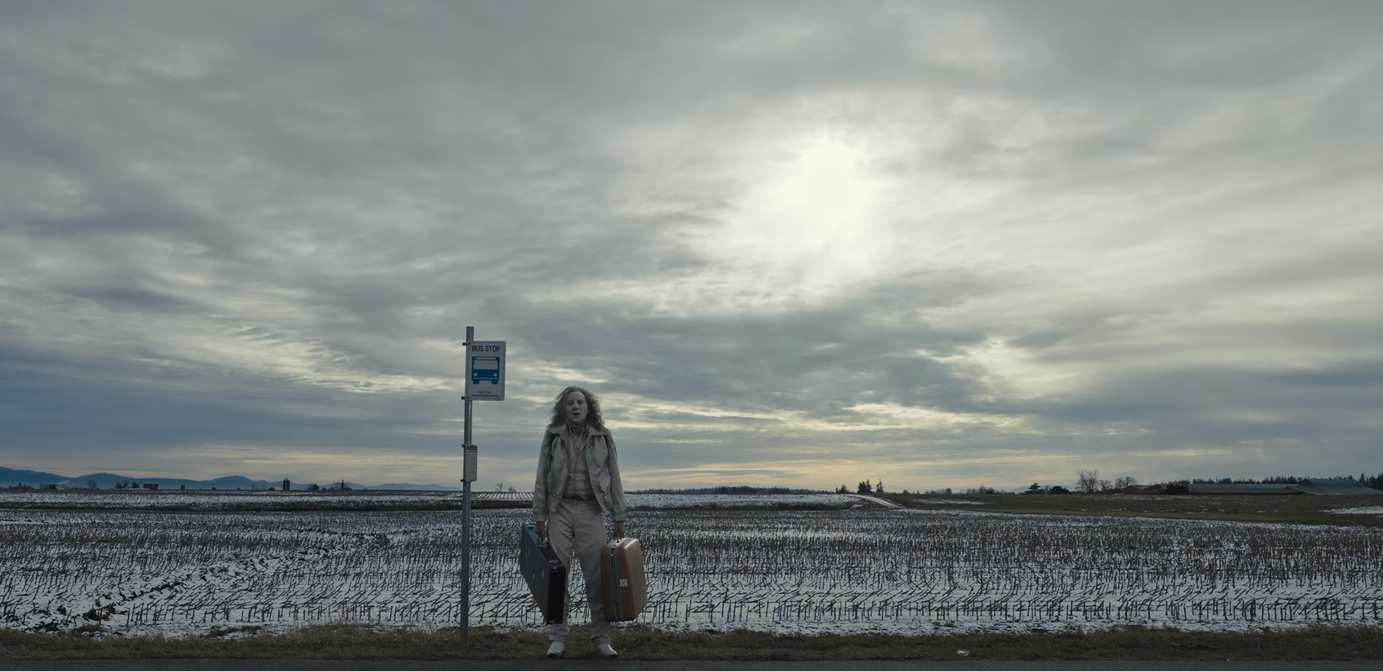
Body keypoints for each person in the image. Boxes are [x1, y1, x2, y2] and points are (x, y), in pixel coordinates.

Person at [532, 385, 627, 659]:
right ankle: (557, 639)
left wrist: (619, 515)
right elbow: (542, 475)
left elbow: (614, 476)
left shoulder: (603, 436)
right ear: (563, 408)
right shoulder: (553, 436)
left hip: (591, 510)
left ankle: (601, 639)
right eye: (570, 403)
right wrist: (540, 515)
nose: (575, 407)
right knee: (557, 576)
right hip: (560, 509)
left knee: (597, 578)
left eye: (580, 403)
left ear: (589, 407)